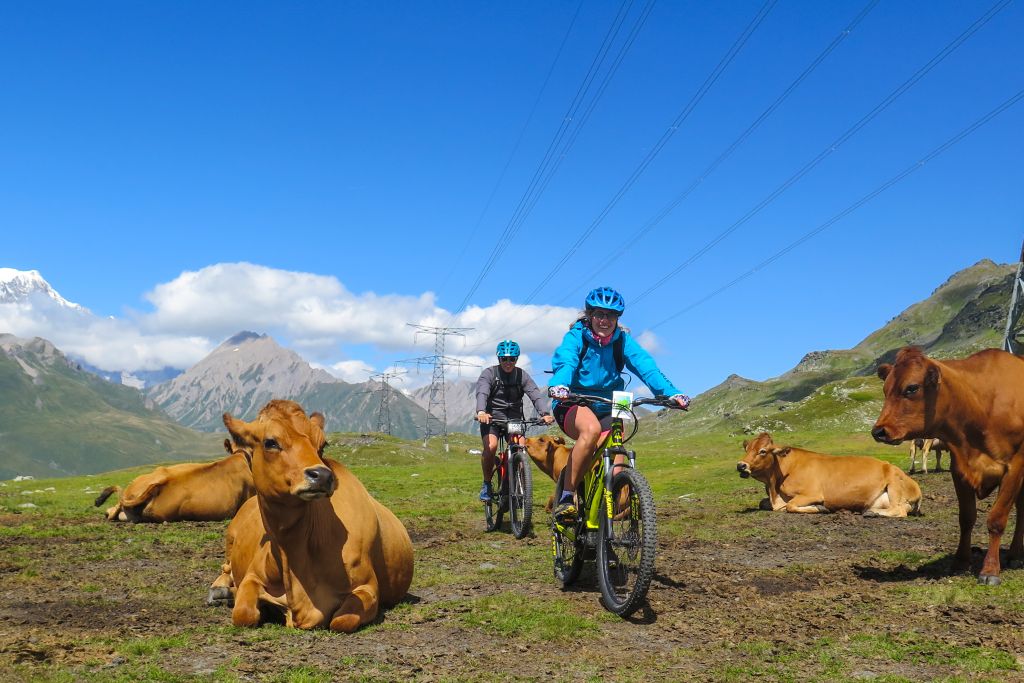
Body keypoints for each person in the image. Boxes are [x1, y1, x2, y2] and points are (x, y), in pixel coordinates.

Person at [548, 286, 689, 524]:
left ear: (618, 318)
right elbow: (566, 362)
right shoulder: (575, 337)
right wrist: (560, 385)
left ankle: (604, 520)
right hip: (573, 399)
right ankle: (567, 496)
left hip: (613, 400)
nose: (605, 320)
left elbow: (647, 367)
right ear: (590, 314)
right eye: (600, 314)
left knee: (617, 454)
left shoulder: (623, 340)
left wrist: (672, 394)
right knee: (591, 431)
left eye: (611, 316)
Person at [475, 340, 555, 502]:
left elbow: (534, 393)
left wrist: (544, 413)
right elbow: (482, 392)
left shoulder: (521, 375)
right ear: (499, 359)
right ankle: (487, 484)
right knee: (490, 447)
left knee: (520, 450)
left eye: (512, 359)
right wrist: (481, 411)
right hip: (492, 420)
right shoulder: (489, 374)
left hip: (514, 419)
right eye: (504, 359)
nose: (508, 362)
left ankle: (518, 484)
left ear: (517, 359)